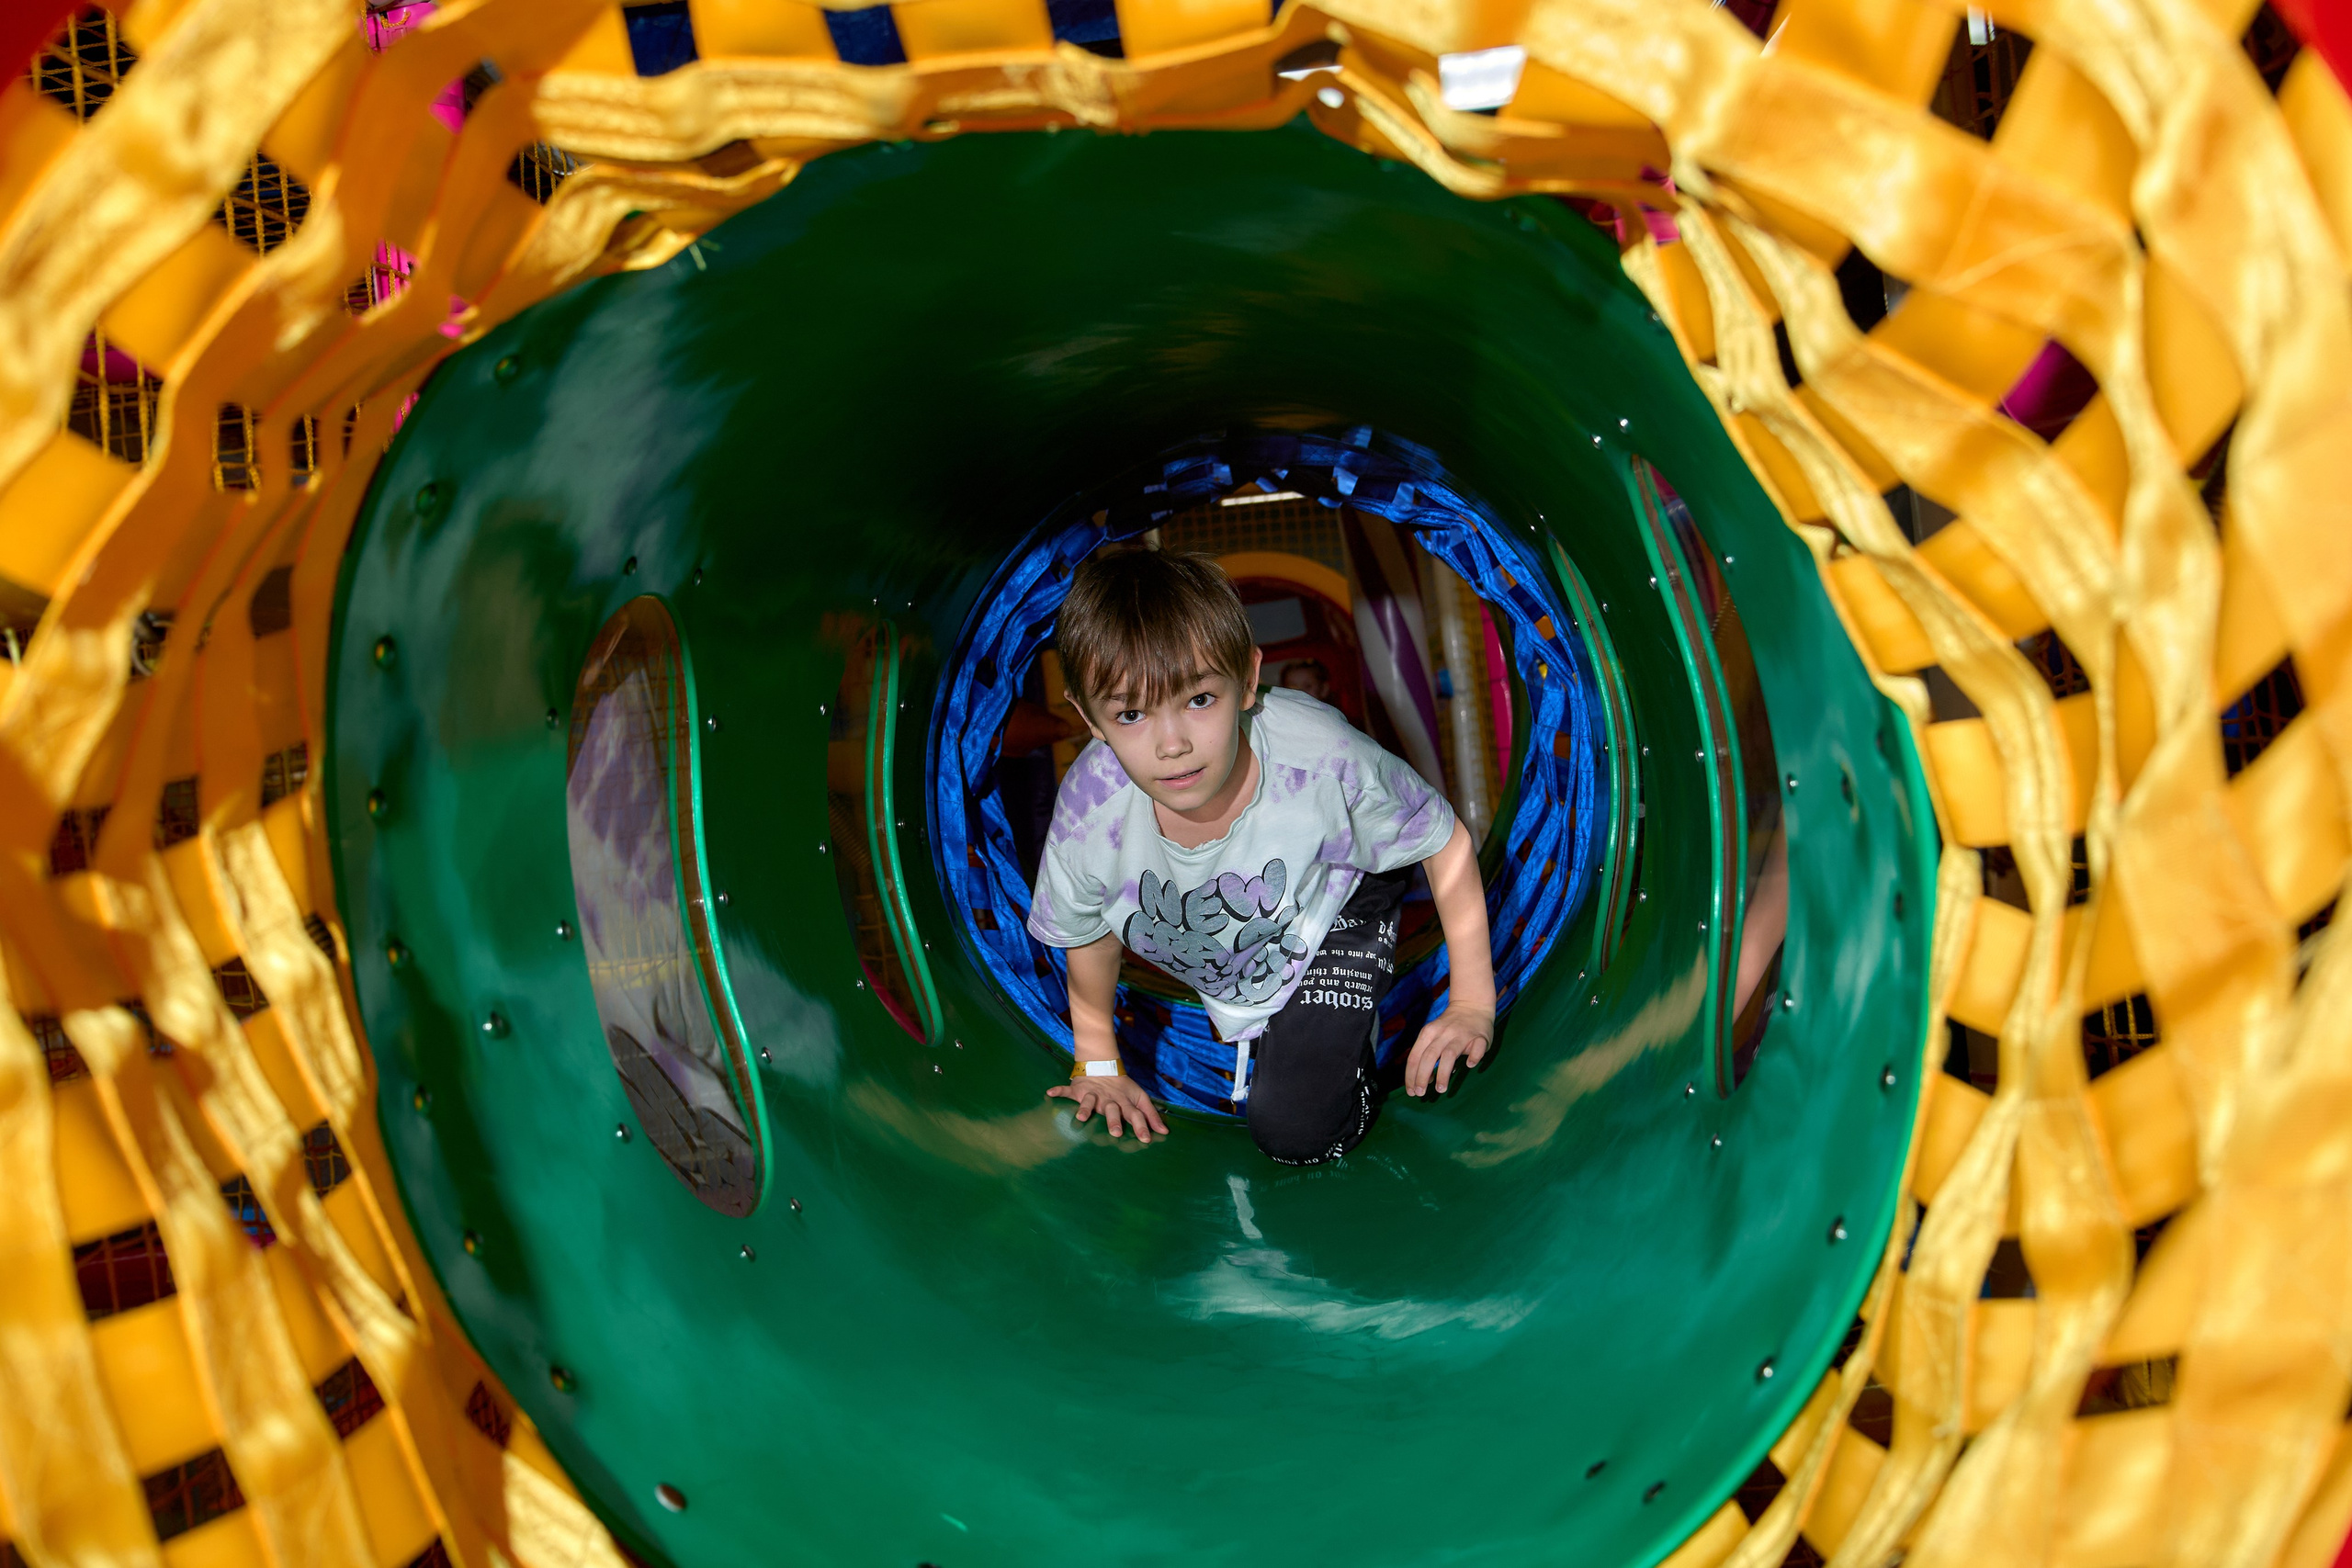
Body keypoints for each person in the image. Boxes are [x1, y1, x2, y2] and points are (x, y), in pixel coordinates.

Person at [1026, 549, 1497, 1165]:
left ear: (1247, 680)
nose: (1173, 744)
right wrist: (1098, 1060)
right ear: (1090, 717)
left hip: (1339, 892)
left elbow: (1442, 839)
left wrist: (1470, 1003)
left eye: (1199, 698)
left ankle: (1345, 1032)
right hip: (1253, 943)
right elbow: (1088, 930)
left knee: (1296, 1132)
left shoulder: (1322, 760)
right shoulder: (1090, 817)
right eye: (1132, 713)